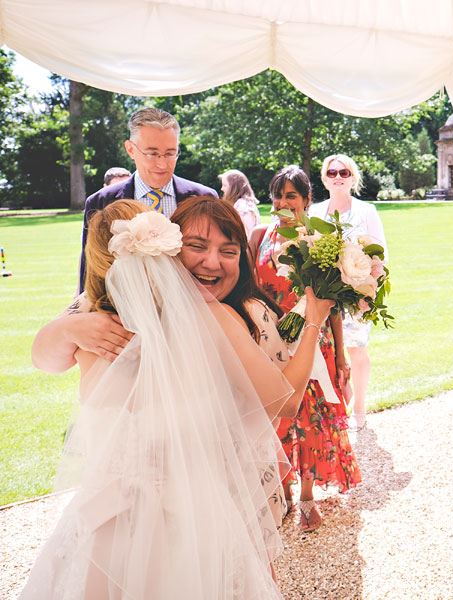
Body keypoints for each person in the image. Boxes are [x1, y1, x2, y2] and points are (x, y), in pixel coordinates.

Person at [21, 200, 329, 598]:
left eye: (228, 250)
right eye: (195, 246)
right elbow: (282, 403)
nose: (211, 263)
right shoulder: (97, 322)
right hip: (190, 517)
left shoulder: (102, 324)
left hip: (114, 520)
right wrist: (68, 330)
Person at [250, 165, 361, 532]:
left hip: (314, 343)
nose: (282, 202)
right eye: (278, 195)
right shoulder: (258, 237)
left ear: (307, 200)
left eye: (291, 196)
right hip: (271, 343)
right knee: (278, 417)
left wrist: (341, 356)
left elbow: (334, 309)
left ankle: (308, 497)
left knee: (311, 418)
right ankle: (281, 489)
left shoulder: (319, 240)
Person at [78, 107, 217, 292]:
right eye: (152, 154)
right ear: (130, 149)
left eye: (170, 153)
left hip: (194, 308)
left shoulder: (205, 198)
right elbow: (91, 273)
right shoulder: (101, 202)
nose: (162, 164)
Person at [309, 153, 388, 430]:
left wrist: (365, 288)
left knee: (356, 351)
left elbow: (381, 254)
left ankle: (360, 410)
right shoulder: (315, 212)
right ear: (324, 179)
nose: (338, 177)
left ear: (353, 178)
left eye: (344, 173)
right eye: (332, 173)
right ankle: (335, 410)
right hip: (324, 295)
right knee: (328, 352)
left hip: (356, 294)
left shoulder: (366, 211)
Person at [219, 169, 261, 237]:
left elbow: (245, 235)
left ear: (234, 188)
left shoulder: (243, 207)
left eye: (225, 185)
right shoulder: (243, 204)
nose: (222, 188)